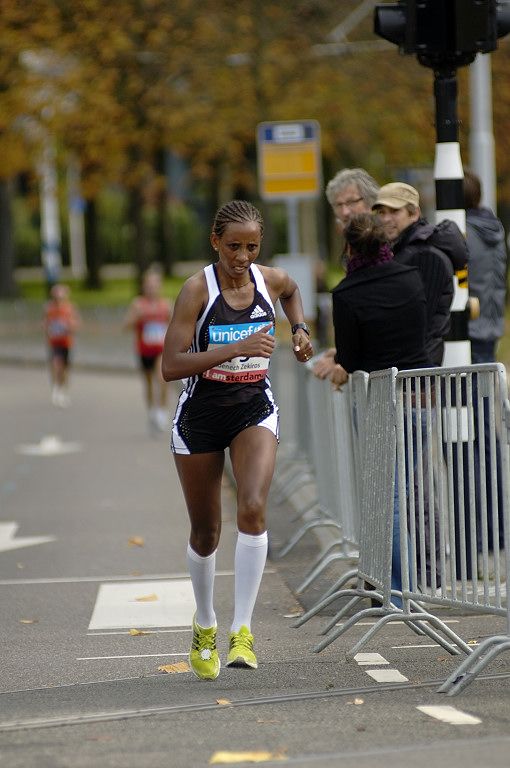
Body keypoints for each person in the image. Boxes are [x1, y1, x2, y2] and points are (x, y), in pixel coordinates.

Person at [161, 199, 313, 680]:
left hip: (253, 408)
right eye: (233, 247)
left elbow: (292, 293)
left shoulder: (268, 280)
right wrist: (236, 348)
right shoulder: (196, 291)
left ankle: (241, 629)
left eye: (251, 246)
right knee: (206, 532)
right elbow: (170, 365)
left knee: (252, 507)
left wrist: (301, 330)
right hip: (201, 415)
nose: (242, 257)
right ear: (215, 243)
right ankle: (205, 622)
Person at [328, 213, 430, 606]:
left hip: (376, 402)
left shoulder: (346, 294)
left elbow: (350, 358)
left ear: (350, 248)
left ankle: (395, 593)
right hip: (421, 397)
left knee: (385, 499)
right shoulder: (410, 277)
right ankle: (394, 588)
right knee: (400, 494)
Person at [372, 182, 464, 366]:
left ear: (414, 213)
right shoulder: (402, 251)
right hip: (406, 369)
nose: (386, 219)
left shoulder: (425, 256)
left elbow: (420, 322)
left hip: (418, 375)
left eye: (394, 211)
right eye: (382, 212)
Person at [314, 168, 380, 381]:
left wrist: (347, 362)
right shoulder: (349, 252)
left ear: (371, 203)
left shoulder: (383, 247)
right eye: (339, 205)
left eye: (352, 202)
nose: (345, 212)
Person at [464, 169, 508, 363]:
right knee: (484, 389)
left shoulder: (463, 231)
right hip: (491, 322)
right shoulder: (495, 227)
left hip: (468, 325)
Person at [124, 266, 173, 434]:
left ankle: (162, 411)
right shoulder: (138, 304)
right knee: (149, 383)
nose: (152, 288)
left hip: (161, 349)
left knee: (162, 378)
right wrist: (136, 318)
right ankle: (152, 410)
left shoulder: (166, 305)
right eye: (149, 285)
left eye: (155, 285)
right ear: (144, 286)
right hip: (144, 351)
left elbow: (173, 326)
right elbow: (126, 326)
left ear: (160, 286)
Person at [43, 283, 81, 407]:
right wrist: (48, 331)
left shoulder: (70, 308)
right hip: (54, 343)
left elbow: (76, 324)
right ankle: (55, 388)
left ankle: (63, 389)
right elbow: (45, 324)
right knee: (56, 364)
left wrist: (70, 326)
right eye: (56, 296)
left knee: (65, 368)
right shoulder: (49, 309)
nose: (58, 299)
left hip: (67, 342)